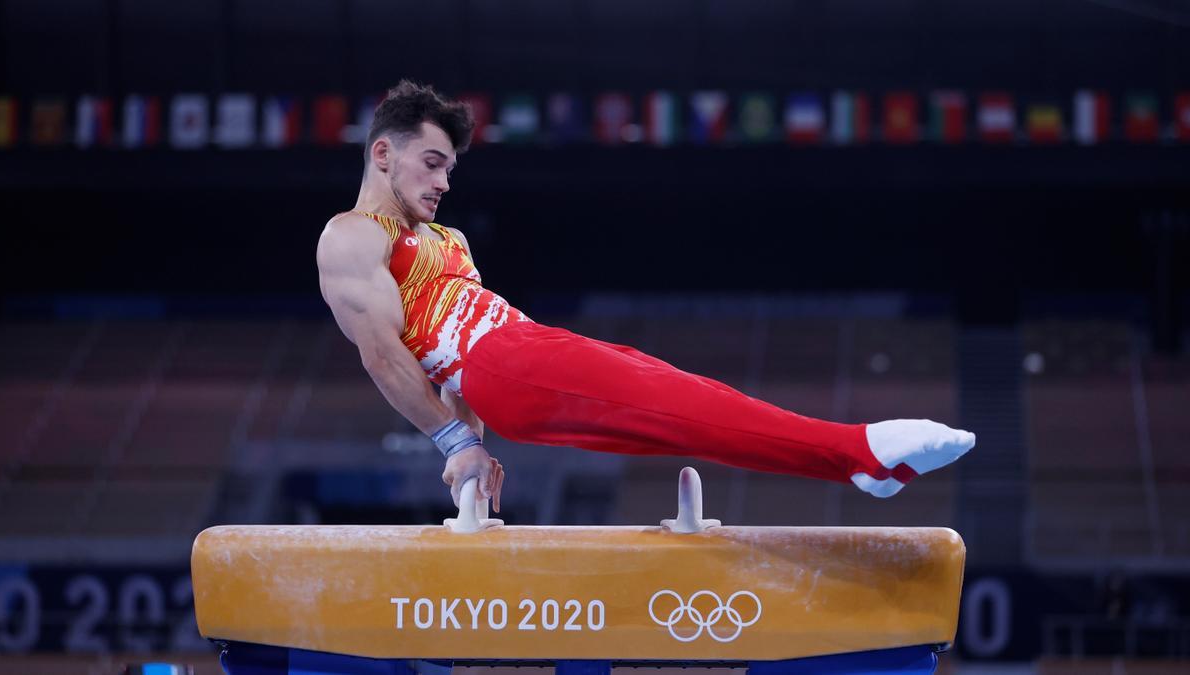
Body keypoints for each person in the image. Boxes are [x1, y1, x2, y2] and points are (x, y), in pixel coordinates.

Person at [316, 81, 975, 512]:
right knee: (673, 402)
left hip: (515, 354)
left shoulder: (448, 237)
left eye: (450, 169)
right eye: (432, 163)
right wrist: (455, 443)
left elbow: (451, 381)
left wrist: (474, 453)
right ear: (381, 154)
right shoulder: (350, 238)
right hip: (500, 360)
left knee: (674, 397)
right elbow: (382, 354)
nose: (444, 182)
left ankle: (856, 462)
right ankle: (857, 451)